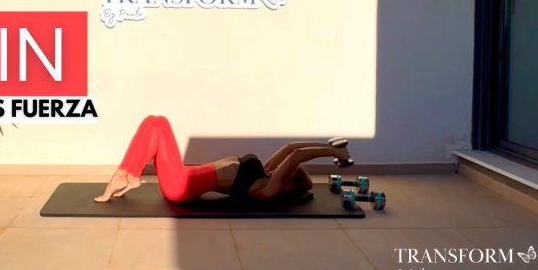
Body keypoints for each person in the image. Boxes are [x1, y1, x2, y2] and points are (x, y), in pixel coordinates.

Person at [94, 115, 352, 203]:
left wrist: (337, 154)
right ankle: (128, 175)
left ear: (288, 183)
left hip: (180, 187)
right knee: (155, 121)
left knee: (159, 124)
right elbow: (290, 147)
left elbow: (296, 157)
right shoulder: (266, 172)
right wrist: (330, 145)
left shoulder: (267, 189)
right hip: (183, 174)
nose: (280, 169)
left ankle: (124, 176)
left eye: (288, 172)